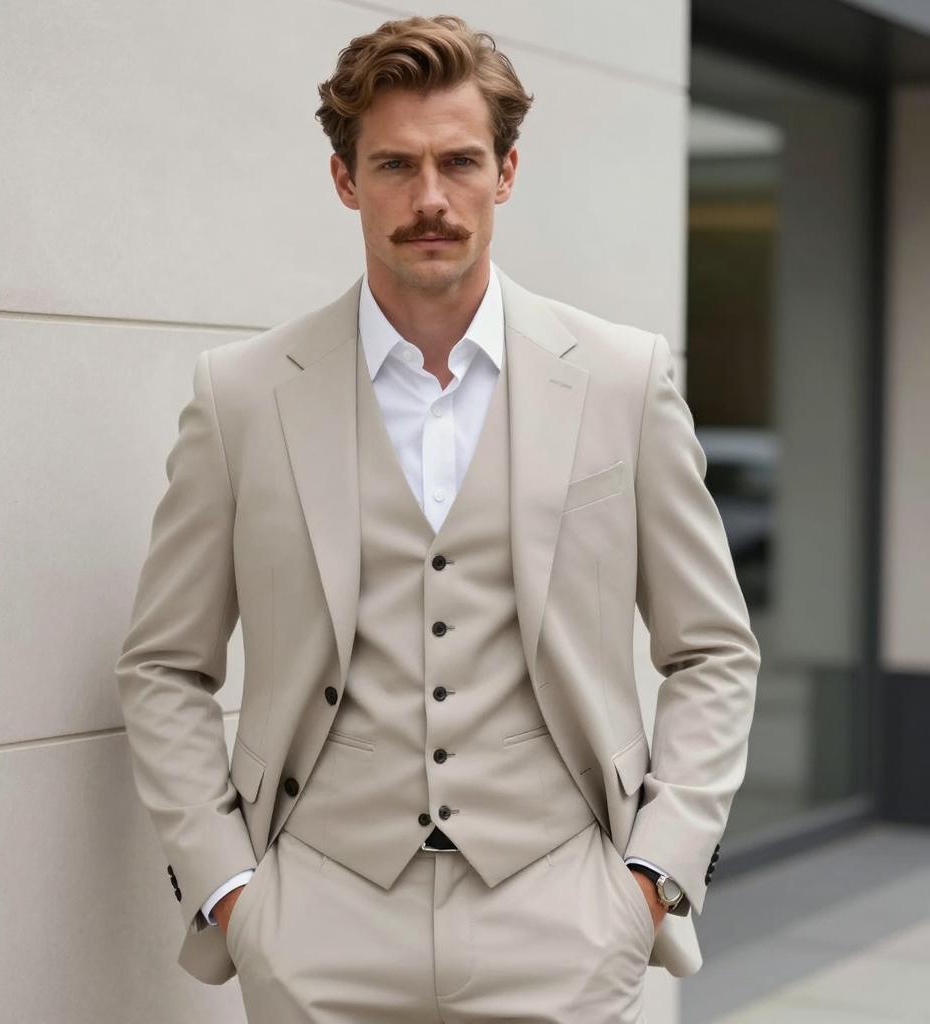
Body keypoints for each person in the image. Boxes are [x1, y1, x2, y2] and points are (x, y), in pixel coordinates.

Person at [115, 14, 761, 1023]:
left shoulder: (621, 380)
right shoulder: (242, 395)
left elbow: (712, 649)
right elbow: (164, 664)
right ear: (345, 181)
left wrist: (652, 877)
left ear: (506, 173)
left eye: (459, 161)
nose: (430, 199)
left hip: (564, 919)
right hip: (316, 924)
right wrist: (232, 892)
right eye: (394, 165)